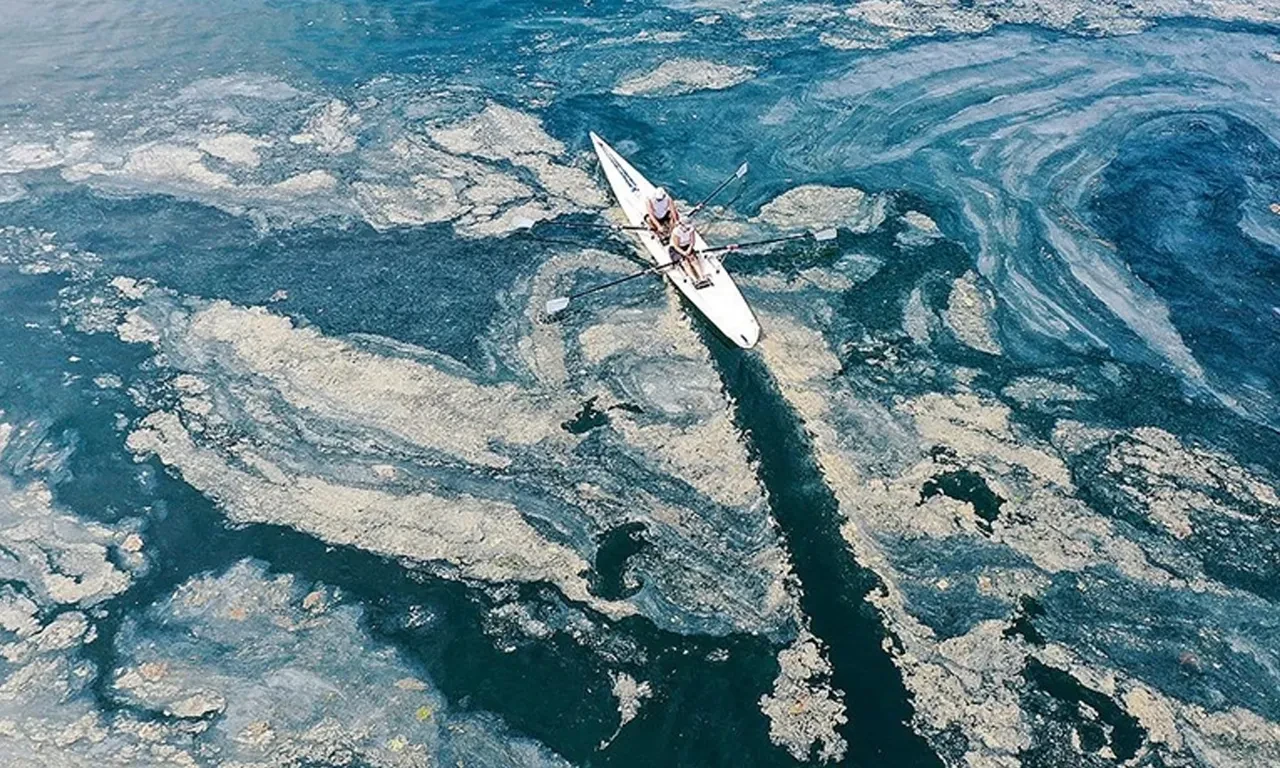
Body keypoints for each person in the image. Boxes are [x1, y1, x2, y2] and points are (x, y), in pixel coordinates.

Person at [668, 220, 709, 287]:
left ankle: (702, 278)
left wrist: (689, 250)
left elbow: (692, 242)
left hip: (687, 247)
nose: (688, 229)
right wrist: (684, 253)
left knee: (693, 259)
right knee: (685, 262)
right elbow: (676, 246)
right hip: (676, 250)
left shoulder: (691, 229)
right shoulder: (676, 232)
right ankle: (695, 280)